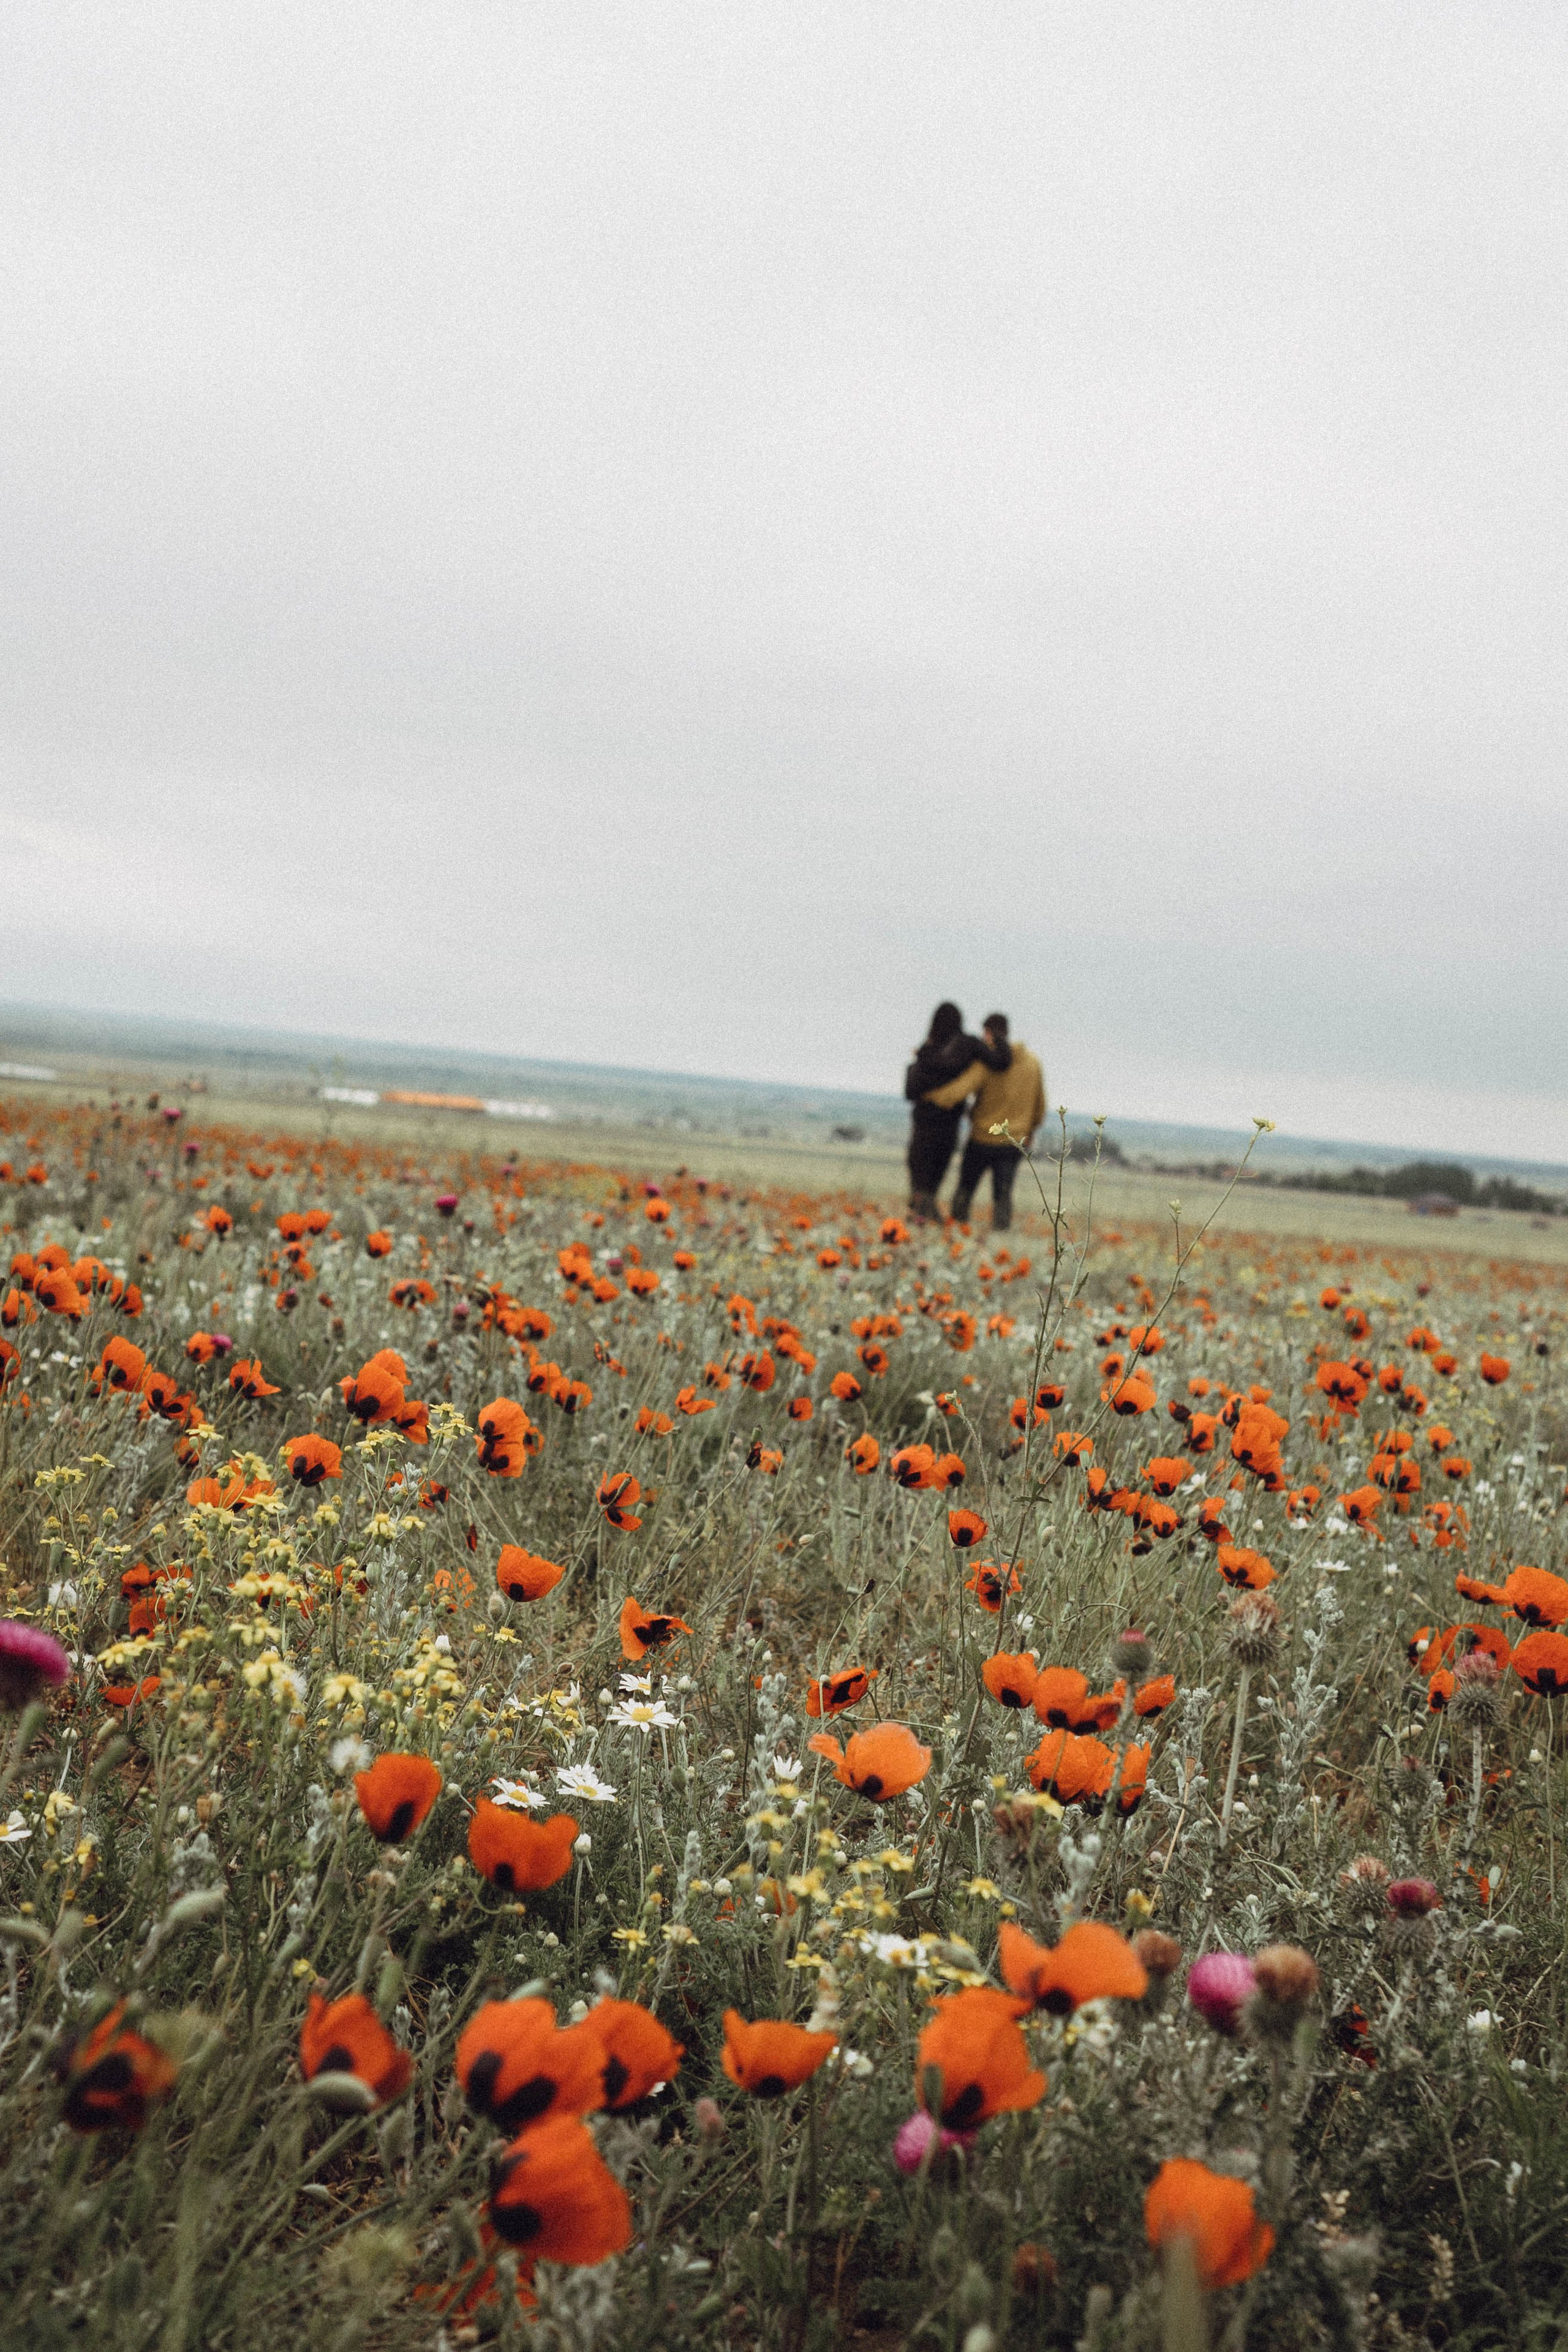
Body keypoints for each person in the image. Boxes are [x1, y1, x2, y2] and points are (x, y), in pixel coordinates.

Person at [925, 1014, 1046, 1231]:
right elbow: (1040, 1106)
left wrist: (927, 1095)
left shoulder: (988, 1064)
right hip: (1015, 1141)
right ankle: (1001, 1234)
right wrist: (1030, 1131)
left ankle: (956, 1231)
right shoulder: (1033, 1064)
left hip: (981, 1139)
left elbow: (957, 1092)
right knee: (1003, 1194)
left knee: (966, 1189)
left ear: (989, 1034)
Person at [903, 1003, 1009, 1222]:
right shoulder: (969, 1045)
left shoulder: (928, 1050)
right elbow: (1001, 1062)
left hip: (924, 1119)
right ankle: (927, 1214)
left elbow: (911, 1091)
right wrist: (997, 1035)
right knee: (936, 1172)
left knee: (920, 1172)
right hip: (949, 1121)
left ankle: (921, 1214)